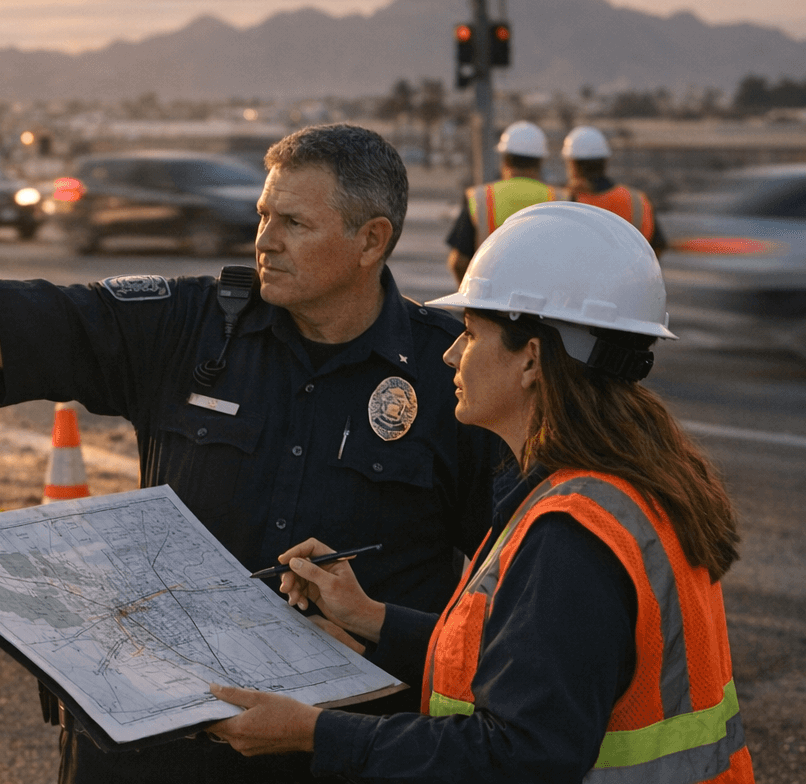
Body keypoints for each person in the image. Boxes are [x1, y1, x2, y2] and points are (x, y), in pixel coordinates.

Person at [0, 123, 505, 784]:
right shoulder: (190, 326)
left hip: (337, 751)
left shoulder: (452, 377)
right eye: (263, 215)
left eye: (294, 223)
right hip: (162, 744)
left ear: (372, 240)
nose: (264, 240)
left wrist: (386, 630)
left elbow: (512, 600)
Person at [207, 201, 754, 784]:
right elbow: (526, 659)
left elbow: (518, 754)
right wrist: (370, 618)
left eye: (469, 334)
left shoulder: (572, 535)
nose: (450, 354)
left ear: (531, 360)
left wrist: (315, 733)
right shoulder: (626, 486)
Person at [445, 119, 559, 285]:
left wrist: (471, 295)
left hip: (490, 299)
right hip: (545, 298)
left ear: (504, 160)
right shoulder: (560, 198)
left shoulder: (480, 198)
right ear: (540, 161)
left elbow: (458, 262)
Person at [563, 124, 667, 257]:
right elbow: (657, 246)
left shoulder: (566, 201)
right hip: (634, 270)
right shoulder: (638, 200)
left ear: (571, 163)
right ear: (605, 161)